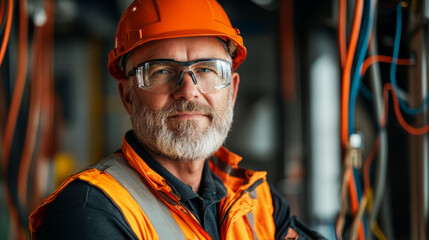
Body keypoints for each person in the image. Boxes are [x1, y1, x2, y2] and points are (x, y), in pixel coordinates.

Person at [29, 0, 325, 239]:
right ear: (127, 96)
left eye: (208, 69)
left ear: (232, 90)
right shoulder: (89, 212)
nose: (188, 91)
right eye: (160, 71)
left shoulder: (257, 202)